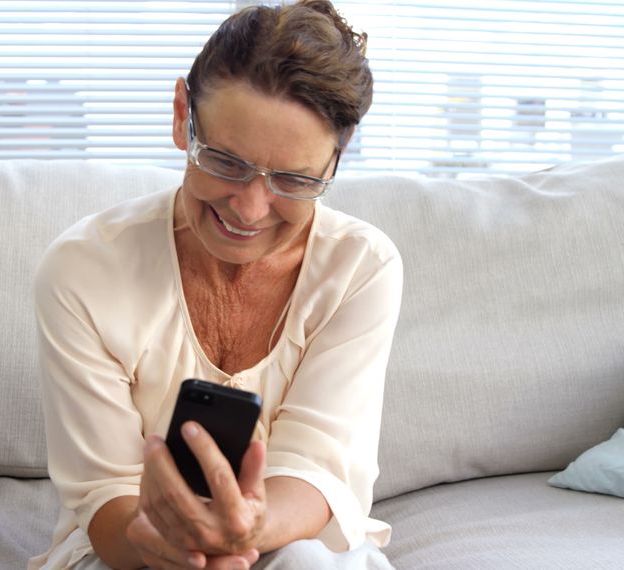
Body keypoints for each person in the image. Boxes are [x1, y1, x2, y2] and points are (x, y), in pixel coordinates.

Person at [30, 1, 402, 568]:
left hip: (290, 543)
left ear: (334, 164)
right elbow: (106, 499)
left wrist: (244, 529)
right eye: (226, 163)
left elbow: (317, 469)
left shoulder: (361, 267)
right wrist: (176, 543)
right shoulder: (84, 270)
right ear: (183, 116)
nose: (250, 209)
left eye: (294, 179)